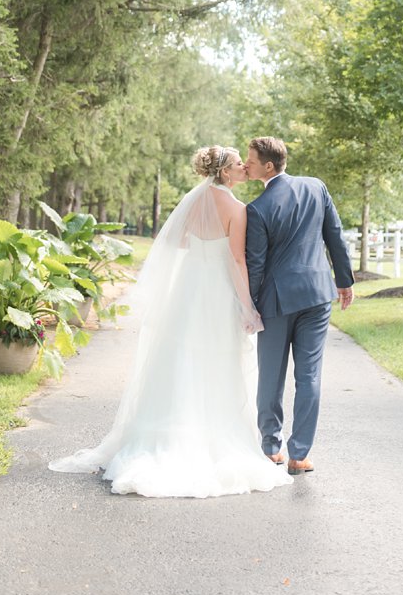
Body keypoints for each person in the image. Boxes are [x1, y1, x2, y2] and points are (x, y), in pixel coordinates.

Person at [48, 146, 292, 497]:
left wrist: (202, 253)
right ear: (224, 172)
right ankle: (209, 434)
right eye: (239, 164)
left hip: (189, 290)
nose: (244, 168)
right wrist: (247, 306)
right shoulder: (238, 210)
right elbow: (238, 261)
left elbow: (177, 241)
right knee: (214, 361)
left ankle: (163, 432)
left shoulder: (194, 201)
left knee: (179, 358)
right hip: (218, 292)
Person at [243, 135, 354, 475]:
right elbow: (335, 235)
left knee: (271, 377)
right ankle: (299, 455)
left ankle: (271, 447)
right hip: (318, 294)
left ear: (269, 166)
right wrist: (344, 280)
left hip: (277, 301)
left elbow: (256, 264)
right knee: (309, 376)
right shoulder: (316, 188)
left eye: (250, 159)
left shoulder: (257, 209)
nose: (246, 164)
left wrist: (250, 302)